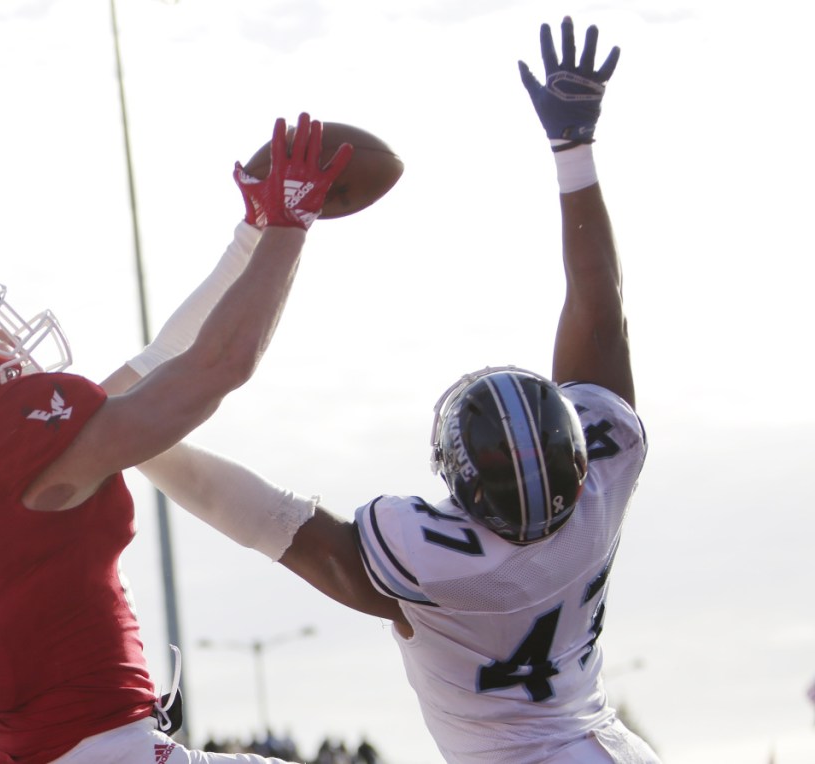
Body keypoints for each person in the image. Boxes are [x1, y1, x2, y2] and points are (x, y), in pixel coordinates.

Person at [127, 17, 661, 764]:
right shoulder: (601, 480)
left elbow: (265, 520)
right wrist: (574, 147)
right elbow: (600, 309)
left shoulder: (441, 565)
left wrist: (132, 438)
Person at [0, 113, 353, 764]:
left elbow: (160, 360)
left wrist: (251, 236)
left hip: (46, 749)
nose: (6, 339)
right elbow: (214, 368)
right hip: (99, 749)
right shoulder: (11, 433)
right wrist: (290, 225)